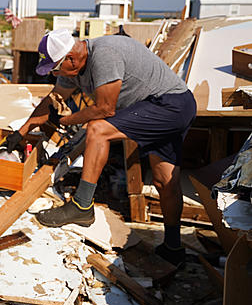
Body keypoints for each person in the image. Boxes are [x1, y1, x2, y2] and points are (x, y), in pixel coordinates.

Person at [15, 28, 196, 266]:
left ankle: (82, 205)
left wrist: (66, 120)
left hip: (171, 105)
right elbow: (53, 99)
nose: (55, 74)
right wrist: (21, 131)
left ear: (70, 58)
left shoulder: (104, 55)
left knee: (97, 129)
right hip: (159, 106)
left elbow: (105, 109)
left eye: (56, 68)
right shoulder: (72, 66)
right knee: (165, 180)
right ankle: (173, 247)